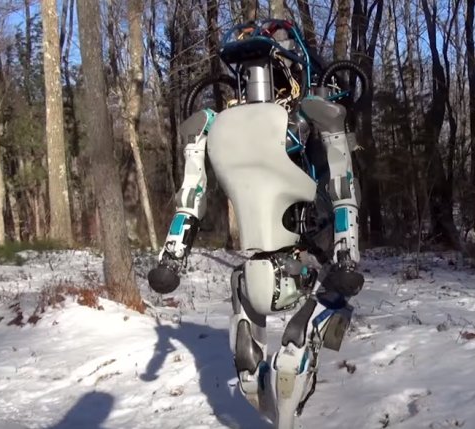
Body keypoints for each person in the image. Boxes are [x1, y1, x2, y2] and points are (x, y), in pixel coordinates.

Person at [147, 19, 365, 429]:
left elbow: (190, 198)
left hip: (285, 258)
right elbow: (343, 186)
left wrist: (172, 258)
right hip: (287, 263)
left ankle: (283, 398)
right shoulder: (301, 117)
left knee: (269, 356)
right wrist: (347, 255)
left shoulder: (218, 125)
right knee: (269, 366)